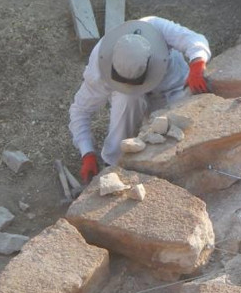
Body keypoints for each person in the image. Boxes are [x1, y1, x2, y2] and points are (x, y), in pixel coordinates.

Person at [69, 16, 211, 182]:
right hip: (134, 101)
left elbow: (194, 39)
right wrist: (87, 153)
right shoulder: (99, 67)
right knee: (126, 97)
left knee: (187, 128)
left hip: (174, 89)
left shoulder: (155, 27)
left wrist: (197, 64)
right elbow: (80, 110)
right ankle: (114, 162)